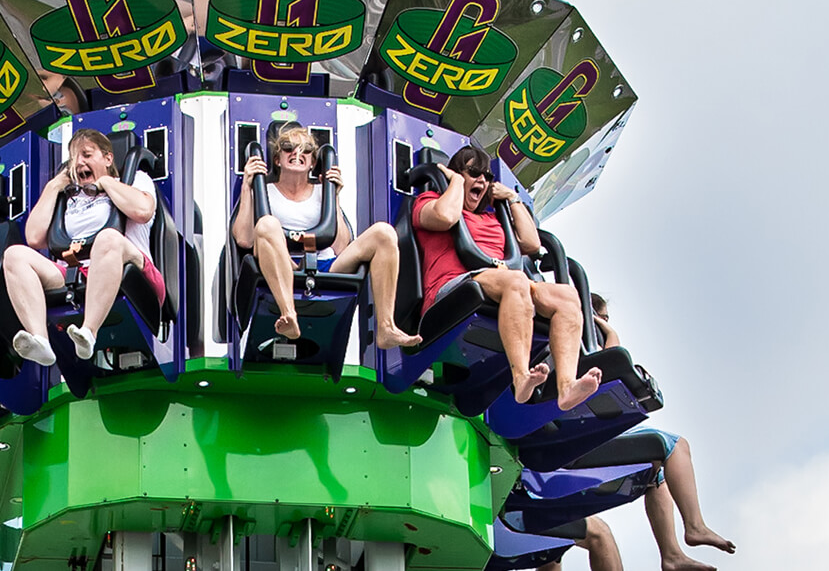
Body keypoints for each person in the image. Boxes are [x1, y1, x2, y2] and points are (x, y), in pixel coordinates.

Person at [414, 145, 601, 409]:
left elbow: (532, 244)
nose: (481, 180)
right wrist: (453, 182)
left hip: (506, 283)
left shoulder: (493, 220)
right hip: (451, 287)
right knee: (516, 281)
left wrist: (511, 199)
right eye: (473, 173)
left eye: (487, 177)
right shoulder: (430, 202)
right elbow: (445, 217)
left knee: (567, 296)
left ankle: (567, 385)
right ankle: (521, 377)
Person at [228, 123, 421, 349]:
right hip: (284, 263)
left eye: (306, 150)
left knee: (385, 233)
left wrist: (335, 197)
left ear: (312, 162)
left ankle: (386, 327)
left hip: (325, 262)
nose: (297, 153)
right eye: (288, 147)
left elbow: (340, 246)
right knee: (268, 224)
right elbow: (244, 239)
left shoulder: (323, 193)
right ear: (277, 159)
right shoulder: (264, 191)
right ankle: (288, 314)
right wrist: (247, 186)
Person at [593, 294, 737, 571]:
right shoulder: (580, 342)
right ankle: (695, 525)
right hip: (578, 439)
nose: (606, 325)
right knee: (673, 445)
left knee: (655, 474)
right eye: (604, 318)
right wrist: (611, 333)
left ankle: (671, 555)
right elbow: (613, 370)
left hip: (590, 431)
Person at [3, 128, 164, 366]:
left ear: (108, 158)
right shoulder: (69, 198)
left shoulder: (133, 180)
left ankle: (89, 331)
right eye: (74, 158)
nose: (79, 162)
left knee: (107, 238)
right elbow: (34, 237)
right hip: (78, 273)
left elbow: (142, 211)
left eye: (86, 155)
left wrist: (106, 183)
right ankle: (40, 340)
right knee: (14, 255)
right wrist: (53, 187)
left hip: (130, 265)